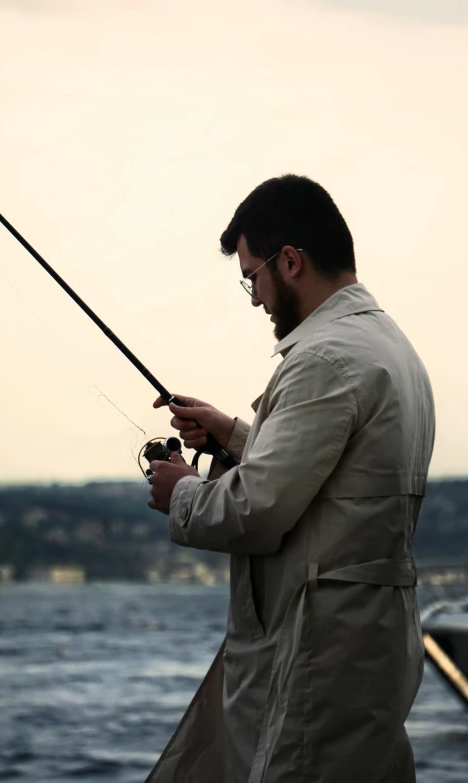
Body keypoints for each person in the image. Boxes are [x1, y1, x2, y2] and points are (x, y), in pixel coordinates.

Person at [146, 174, 435, 783]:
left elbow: (258, 509)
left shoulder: (323, 359)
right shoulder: (387, 346)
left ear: (292, 262)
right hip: (366, 645)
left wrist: (182, 495)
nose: (254, 297)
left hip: (320, 655)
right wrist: (233, 436)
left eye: (252, 276)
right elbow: (335, 483)